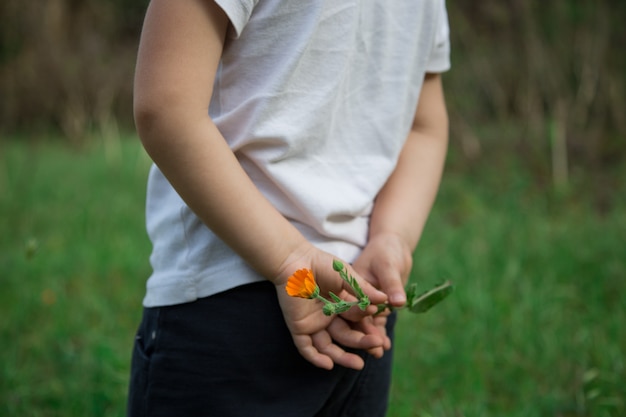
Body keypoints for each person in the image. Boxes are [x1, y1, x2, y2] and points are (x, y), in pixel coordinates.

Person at [127, 0, 450, 416]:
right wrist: (392, 236)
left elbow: (166, 107)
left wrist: (292, 263)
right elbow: (425, 127)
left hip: (228, 305)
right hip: (358, 298)